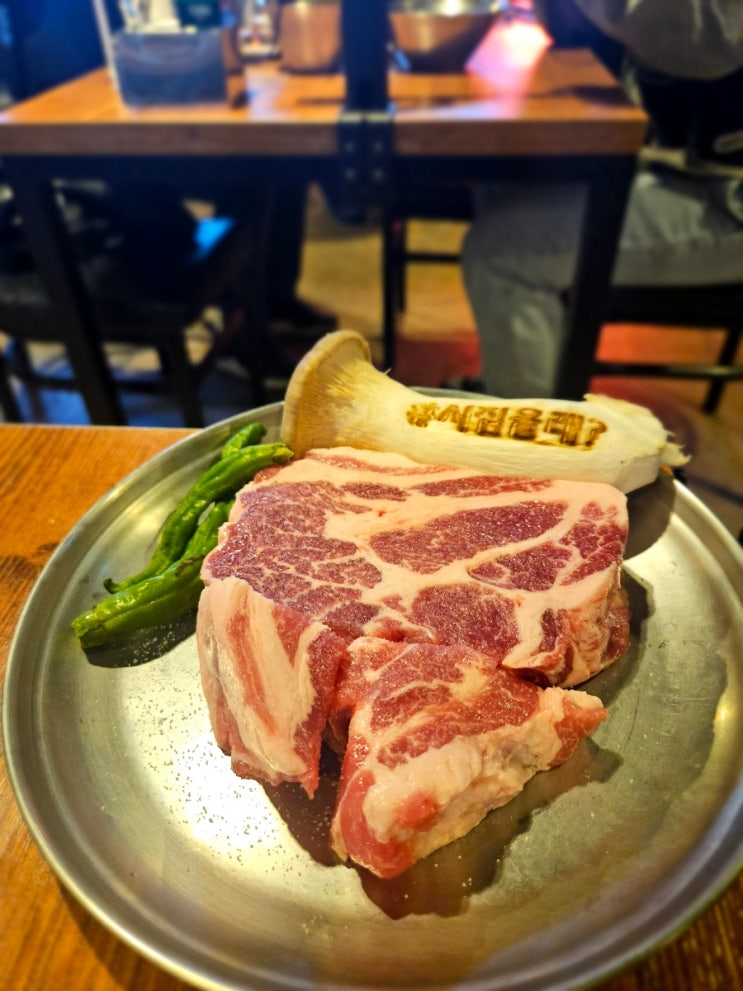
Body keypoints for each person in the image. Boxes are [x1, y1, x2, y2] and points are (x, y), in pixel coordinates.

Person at [461, 0, 743, 399]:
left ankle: (536, 436)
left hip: (729, 204)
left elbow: (709, 34)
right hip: (688, 167)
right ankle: (520, 384)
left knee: (499, 254)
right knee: (508, 185)